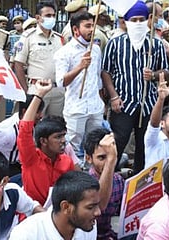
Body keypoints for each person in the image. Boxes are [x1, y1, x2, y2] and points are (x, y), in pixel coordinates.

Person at [102, 0, 168, 173]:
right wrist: (114, 96)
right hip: (123, 103)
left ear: (148, 20)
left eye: (141, 19)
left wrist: (153, 75)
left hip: (148, 104)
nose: (138, 24)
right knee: (119, 141)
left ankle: (140, 179)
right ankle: (110, 176)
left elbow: (165, 70)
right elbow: (106, 72)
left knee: (144, 144)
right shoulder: (115, 44)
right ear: (126, 21)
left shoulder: (156, 44)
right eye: (134, 20)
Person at [54, 12, 104, 157]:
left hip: (95, 107)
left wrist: (100, 101)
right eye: (87, 26)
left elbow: (97, 77)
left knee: (96, 145)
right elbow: (61, 82)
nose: (92, 30)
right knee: (73, 147)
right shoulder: (64, 52)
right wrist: (80, 66)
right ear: (76, 30)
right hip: (76, 108)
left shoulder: (95, 49)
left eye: (93, 26)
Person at [17, 79, 74, 205]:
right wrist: (39, 94)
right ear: (43, 141)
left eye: (64, 136)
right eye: (58, 137)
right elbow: (24, 129)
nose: (63, 141)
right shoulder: (31, 159)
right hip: (31, 215)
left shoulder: (66, 161)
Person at [9, 171, 100, 240]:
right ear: (66, 207)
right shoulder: (25, 235)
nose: (98, 212)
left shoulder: (88, 225)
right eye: (90, 207)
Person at [13, 2, 65, 117]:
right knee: (35, 127)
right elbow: (18, 64)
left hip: (58, 91)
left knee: (56, 127)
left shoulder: (59, 38)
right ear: (37, 18)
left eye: (53, 15)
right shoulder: (28, 37)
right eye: (47, 15)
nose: (51, 18)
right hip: (37, 90)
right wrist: (25, 91)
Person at [0, 95, 45, 177]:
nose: (41, 115)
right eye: (38, 112)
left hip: (20, 163)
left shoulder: (34, 123)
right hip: (5, 168)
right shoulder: (6, 131)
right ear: (25, 111)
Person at [84, 128, 122, 239]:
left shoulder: (119, 181)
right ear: (88, 158)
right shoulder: (84, 184)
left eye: (111, 156)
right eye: (102, 158)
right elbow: (100, 205)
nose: (107, 162)